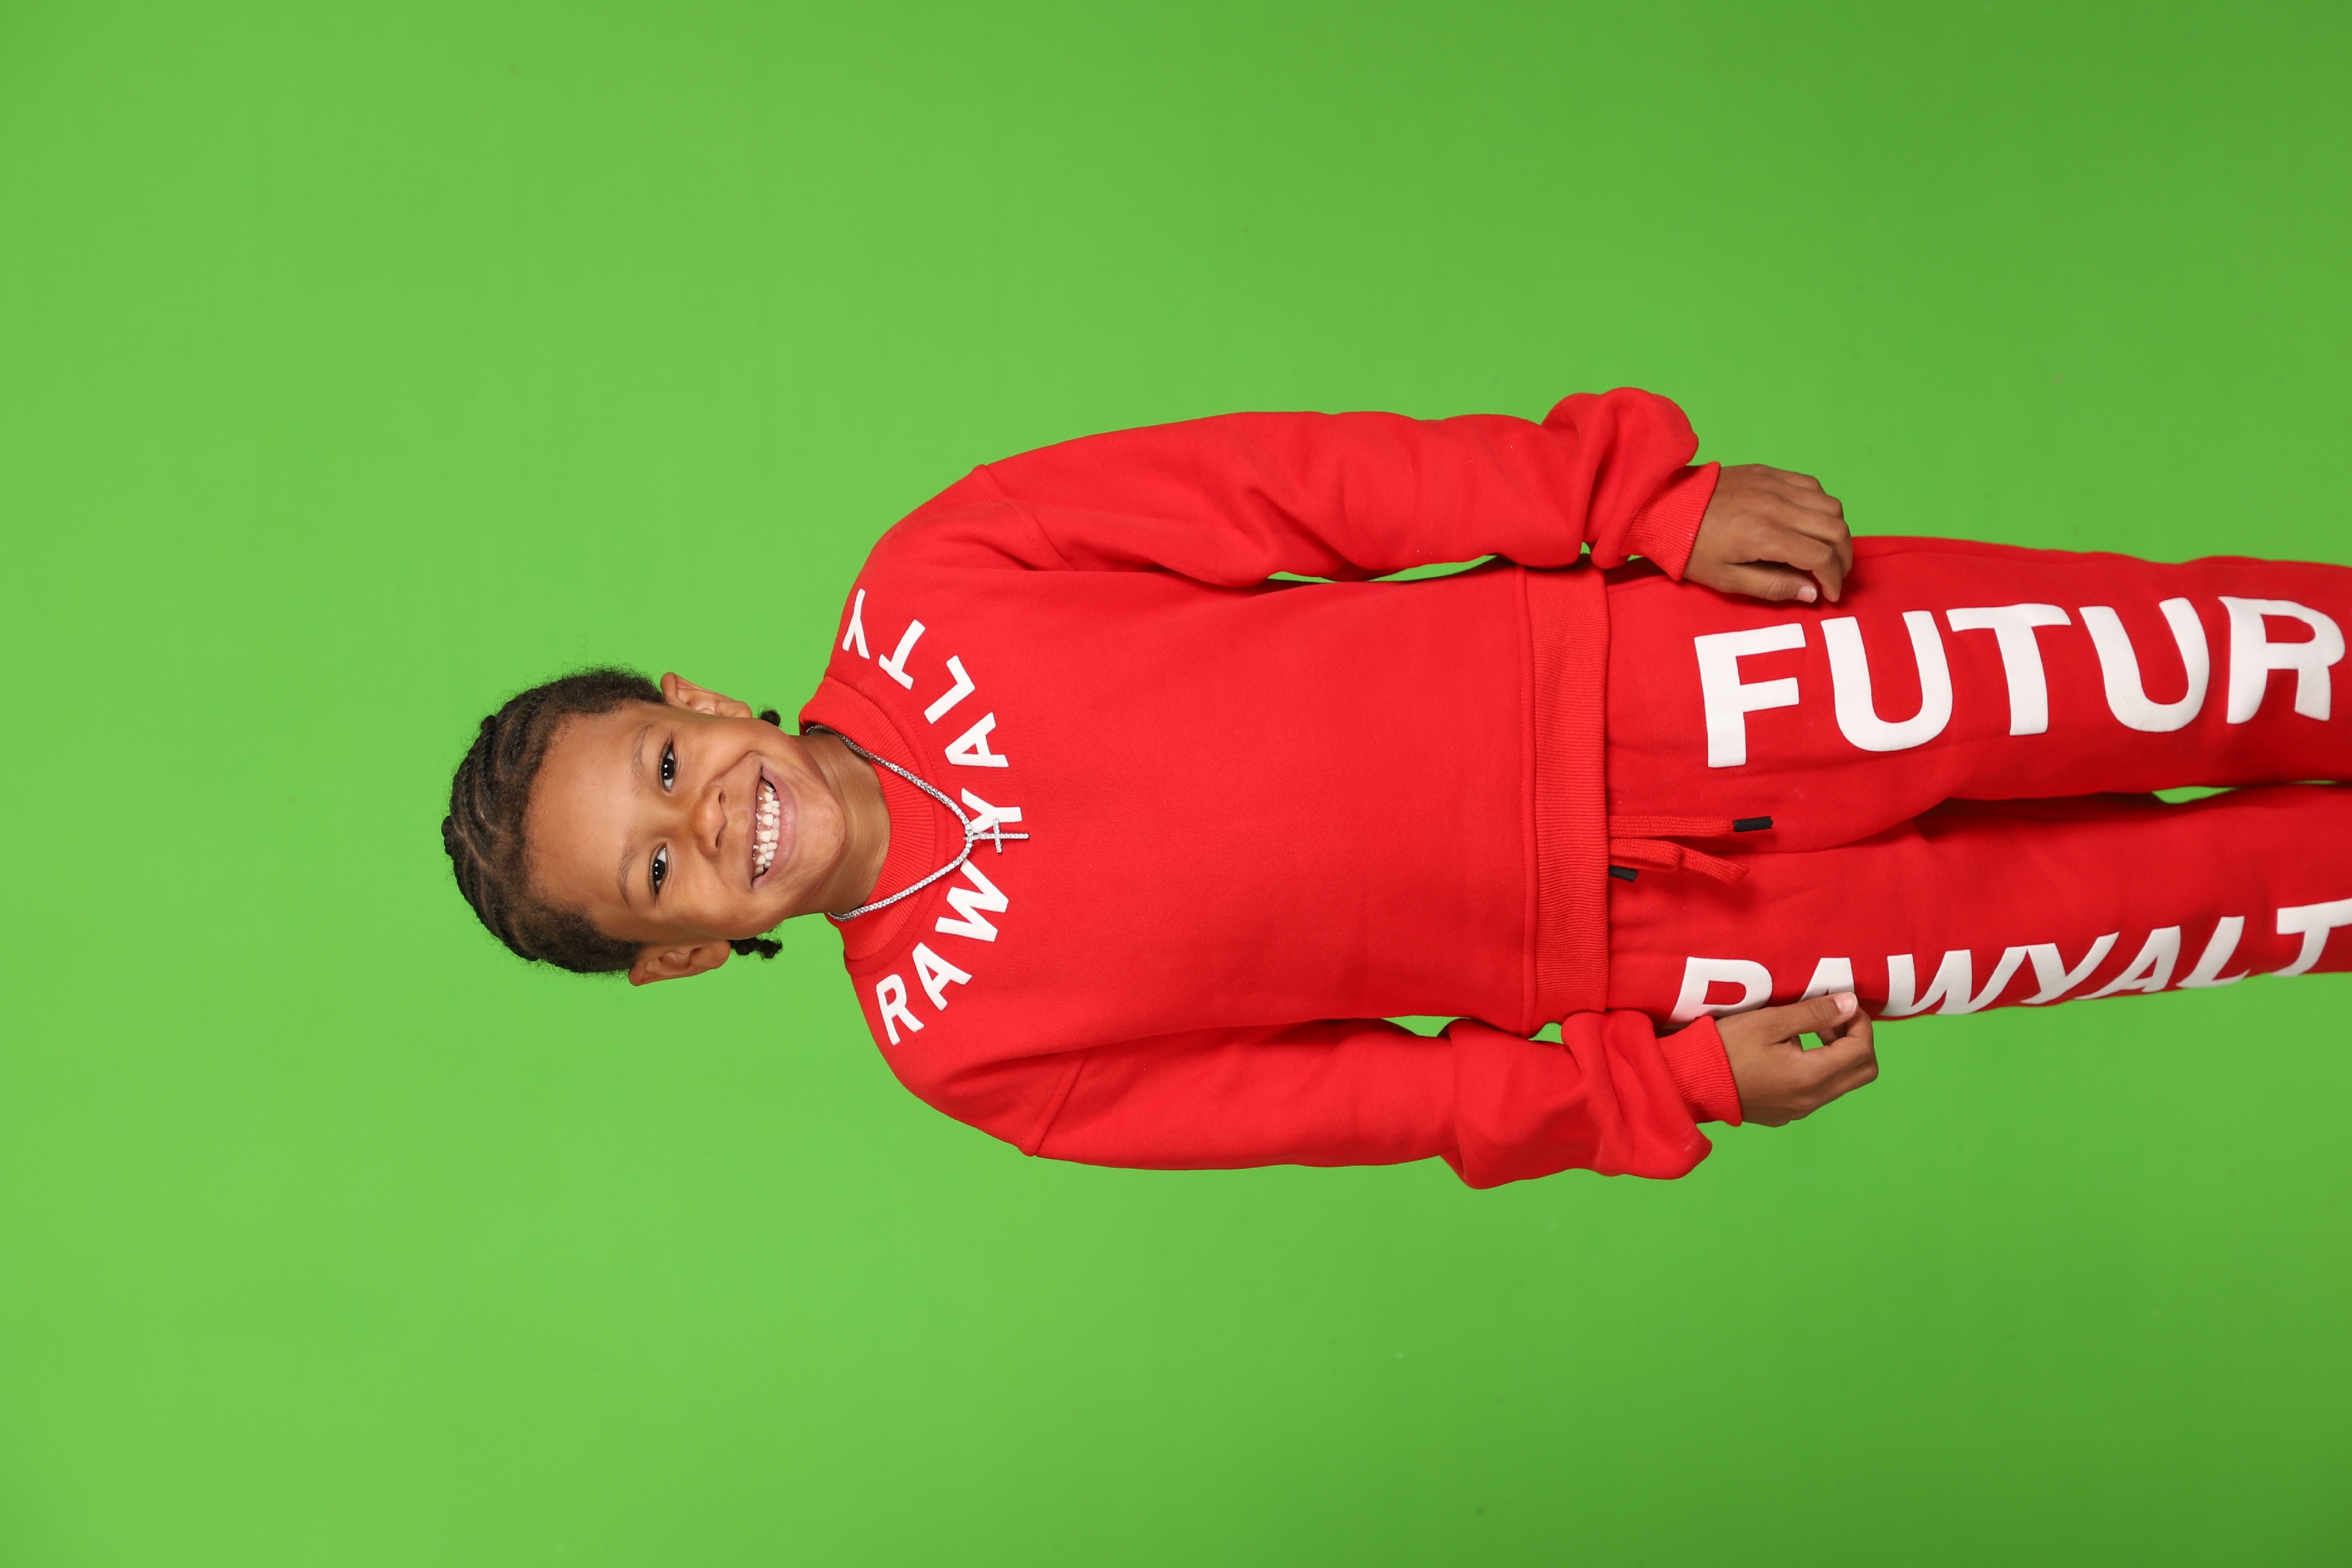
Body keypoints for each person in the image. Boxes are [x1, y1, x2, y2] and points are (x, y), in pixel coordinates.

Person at [441, 389, 2352, 1188]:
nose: (710, 820)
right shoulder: (968, 1053)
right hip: (1676, 957)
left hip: (1689, 671)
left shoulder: (940, 574)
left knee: (2217, 661)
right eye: (660, 872)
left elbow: (1308, 488)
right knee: (2204, 912)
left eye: (667, 767)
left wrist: (1636, 502)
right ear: (678, 957)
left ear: (694, 698)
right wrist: (1666, 1086)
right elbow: (1370, 1096)